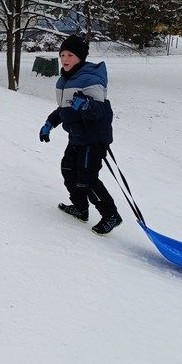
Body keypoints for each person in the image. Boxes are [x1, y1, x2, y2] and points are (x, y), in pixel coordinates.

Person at [39, 35, 122, 235]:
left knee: (86, 178)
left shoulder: (91, 78)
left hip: (93, 139)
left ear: (80, 57)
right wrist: (49, 123)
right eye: (62, 55)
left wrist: (86, 105)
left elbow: (99, 111)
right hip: (77, 137)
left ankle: (111, 215)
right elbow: (64, 109)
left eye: (70, 55)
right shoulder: (64, 80)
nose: (65, 59)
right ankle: (80, 208)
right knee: (68, 170)